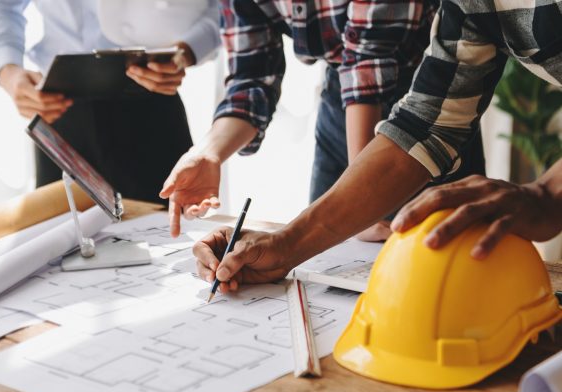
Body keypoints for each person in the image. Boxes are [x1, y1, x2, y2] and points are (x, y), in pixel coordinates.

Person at [192, 0, 562, 294]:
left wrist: (548, 194)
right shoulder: (469, 5)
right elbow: (426, 124)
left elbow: (368, 59)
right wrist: (286, 245)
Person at [160, 0, 487, 240]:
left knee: (443, 270)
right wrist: (209, 152)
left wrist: (360, 206)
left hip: (429, 105)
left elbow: (367, 61)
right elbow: (252, 77)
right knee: (330, 268)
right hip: (340, 106)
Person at [0, 0, 220, 204]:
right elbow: (2, 5)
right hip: (56, 111)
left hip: (149, 103)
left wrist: (187, 50)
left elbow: (227, 10)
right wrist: (8, 71)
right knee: (56, 248)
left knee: (174, 244)